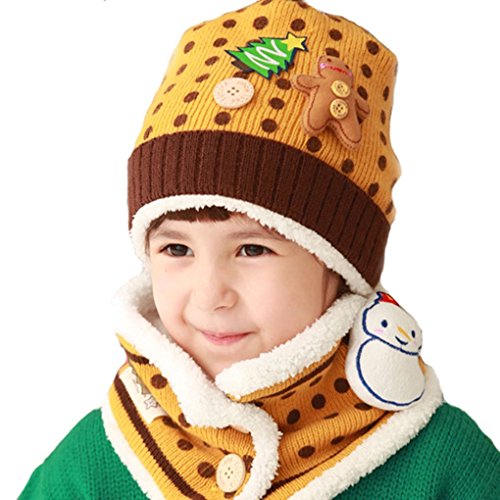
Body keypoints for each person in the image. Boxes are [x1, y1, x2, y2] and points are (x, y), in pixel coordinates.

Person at [20, 0, 499, 498]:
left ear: (339, 266)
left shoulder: (444, 463)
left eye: (251, 250)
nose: (210, 296)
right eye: (177, 249)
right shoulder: (91, 462)